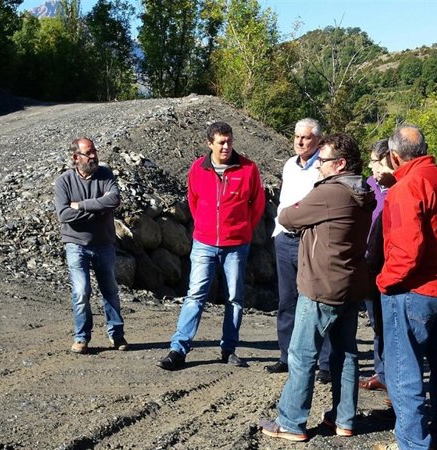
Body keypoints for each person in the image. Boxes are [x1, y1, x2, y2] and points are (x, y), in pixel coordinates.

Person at [259, 133, 375, 442]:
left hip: (321, 285)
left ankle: (291, 422)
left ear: (340, 164)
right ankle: (344, 419)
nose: (318, 166)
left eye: (322, 161)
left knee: (301, 354)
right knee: (345, 353)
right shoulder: (362, 191)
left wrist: (307, 212)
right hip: (350, 284)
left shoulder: (330, 194)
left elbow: (287, 217)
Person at [373, 126, 437, 450]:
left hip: (411, 291)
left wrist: (384, 282)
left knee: (405, 374)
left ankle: (414, 445)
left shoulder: (405, 188)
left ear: (394, 156)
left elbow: (407, 252)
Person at [157, 121, 265, 371]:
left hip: (236, 244)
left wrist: (243, 229)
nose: (226, 146)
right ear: (210, 144)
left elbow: (257, 204)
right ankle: (178, 349)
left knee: (234, 298)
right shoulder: (198, 168)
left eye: (229, 141)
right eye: (221, 142)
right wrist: (205, 226)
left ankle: (229, 349)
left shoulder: (248, 169)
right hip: (204, 242)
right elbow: (193, 200)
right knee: (195, 295)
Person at [266, 118, 333, 381]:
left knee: (318, 300)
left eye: (305, 137)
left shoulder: (322, 167)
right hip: (284, 239)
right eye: (296, 136)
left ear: (318, 140)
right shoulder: (289, 165)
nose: (300, 142)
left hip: (310, 241)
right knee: (287, 301)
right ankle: (286, 356)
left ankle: (325, 363)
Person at [54, 137, 128, 354]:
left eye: (94, 151)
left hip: (104, 244)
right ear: (76, 157)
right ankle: (81, 337)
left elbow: (113, 200)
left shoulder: (105, 175)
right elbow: (64, 215)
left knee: (110, 290)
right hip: (76, 245)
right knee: (81, 292)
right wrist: (98, 210)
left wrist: (81, 206)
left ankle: (117, 335)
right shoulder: (64, 182)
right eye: (88, 153)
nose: (94, 156)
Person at [359, 139, 396, 393]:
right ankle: (381, 372)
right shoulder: (368, 186)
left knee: (391, 323)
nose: (371, 166)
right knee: (377, 323)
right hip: (369, 264)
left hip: (392, 265)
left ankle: (393, 378)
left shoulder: (401, 188)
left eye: (375, 161)